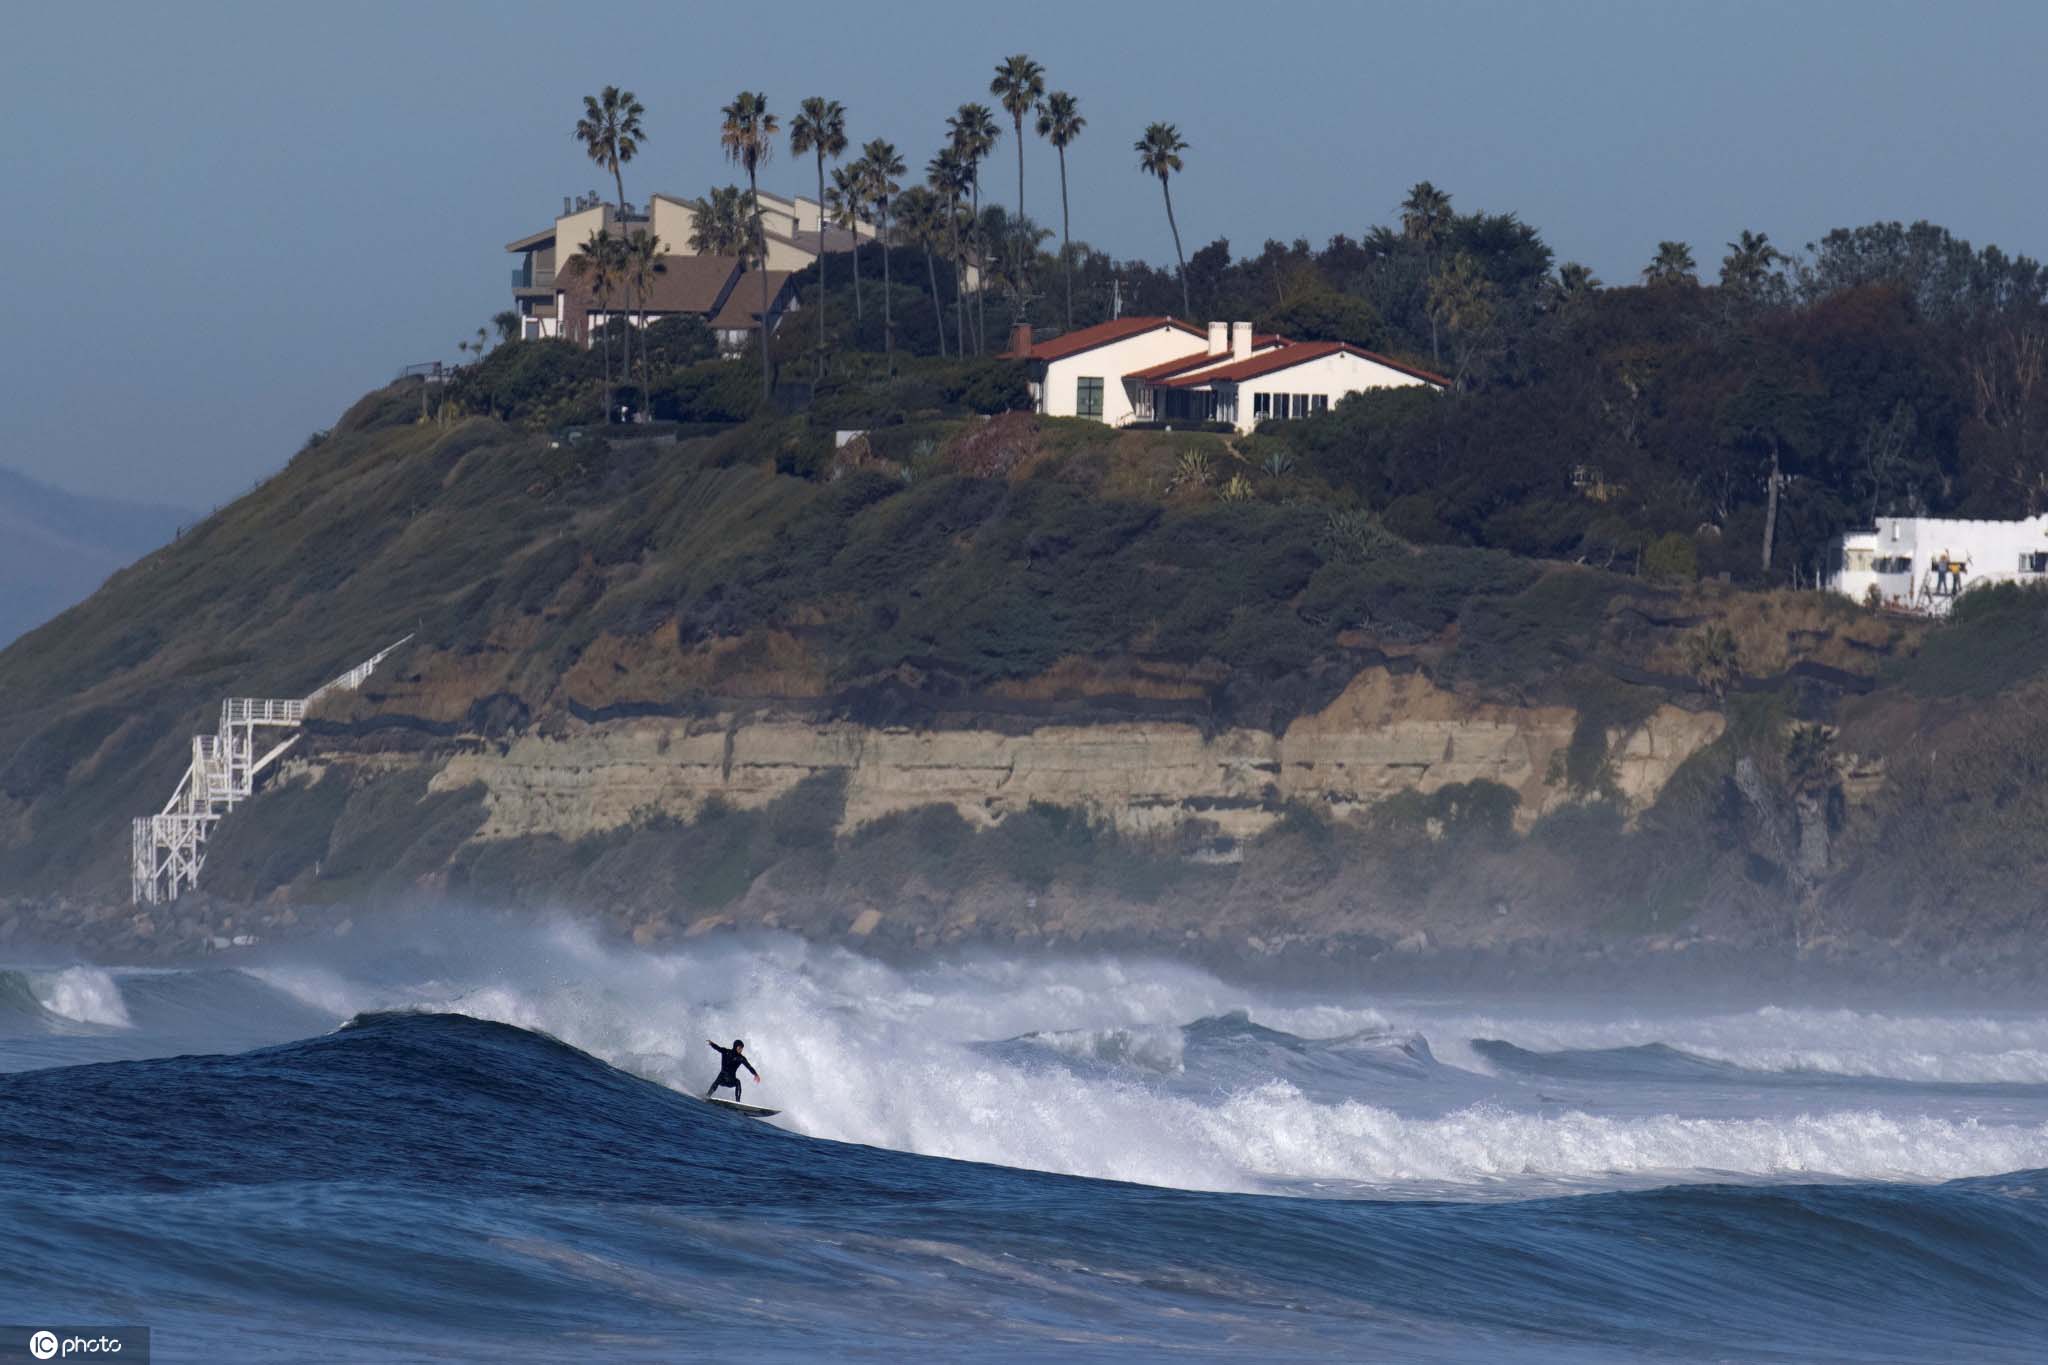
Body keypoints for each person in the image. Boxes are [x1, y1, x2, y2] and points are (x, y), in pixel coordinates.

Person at [705, 1038, 760, 1102]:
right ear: (736, 1047)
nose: (741, 1050)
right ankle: (708, 1095)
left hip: (730, 1080)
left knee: (737, 1082)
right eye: (740, 1048)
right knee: (718, 1080)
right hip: (724, 1079)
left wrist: (755, 1074)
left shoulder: (740, 1058)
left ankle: (737, 1102)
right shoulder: (727, 1052)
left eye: (742, 1048)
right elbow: (718, 1048)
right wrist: (711, 1044)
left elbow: (749, 1066)